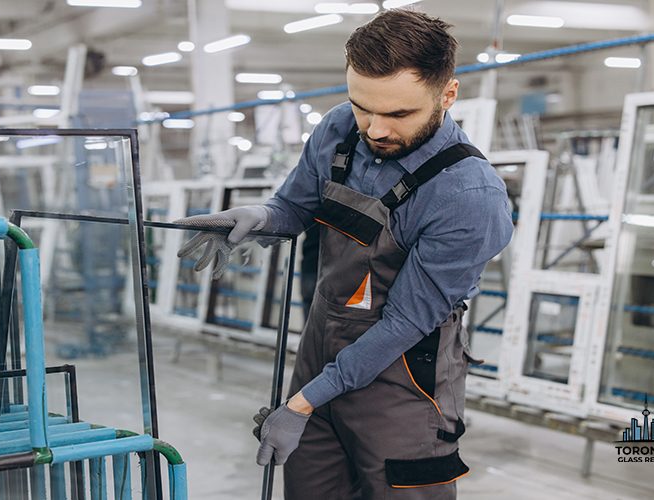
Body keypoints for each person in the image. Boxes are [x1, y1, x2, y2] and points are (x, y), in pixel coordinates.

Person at [176, 8, 514, 499]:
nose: (374, 129)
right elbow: (296, 205)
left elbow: (401, 325)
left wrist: (302, 404)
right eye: (363, 107)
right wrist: (262, 217)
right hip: (319, 348)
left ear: (448, 95)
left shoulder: (467, 196)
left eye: (399, 114)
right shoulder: (339, 129)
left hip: (402, 379)